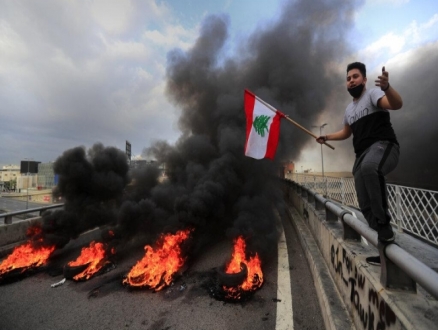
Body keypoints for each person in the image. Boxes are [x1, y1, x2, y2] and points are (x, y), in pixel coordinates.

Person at [316, 62, 403, 265]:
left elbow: (396, 104)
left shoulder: (373, 94)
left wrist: (387, 88)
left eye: (355, 76)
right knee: (364, 204)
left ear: (363, 79)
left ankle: (385, 225)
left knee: (369, 168)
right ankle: (386, 249)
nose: (351, 80)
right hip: (362, 155)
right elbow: (347, 132)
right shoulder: (349, 109)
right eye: (348, 78)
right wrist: (326, 136)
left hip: (383, 146)